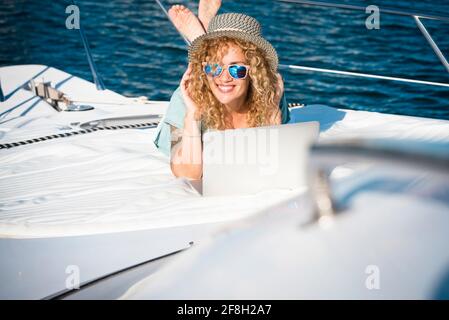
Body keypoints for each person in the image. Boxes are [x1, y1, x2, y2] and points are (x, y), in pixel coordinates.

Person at [153, 4, 290, 180]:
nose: (225, 78)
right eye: (214, 67)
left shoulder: (270, 94)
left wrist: (272, 115)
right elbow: (189, 175)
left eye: (237, 70)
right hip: (184, 127)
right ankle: (206, 39)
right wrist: (193, 115)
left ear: (254, 72)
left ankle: (205, 38)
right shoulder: (186, 98)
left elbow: (276, 165)